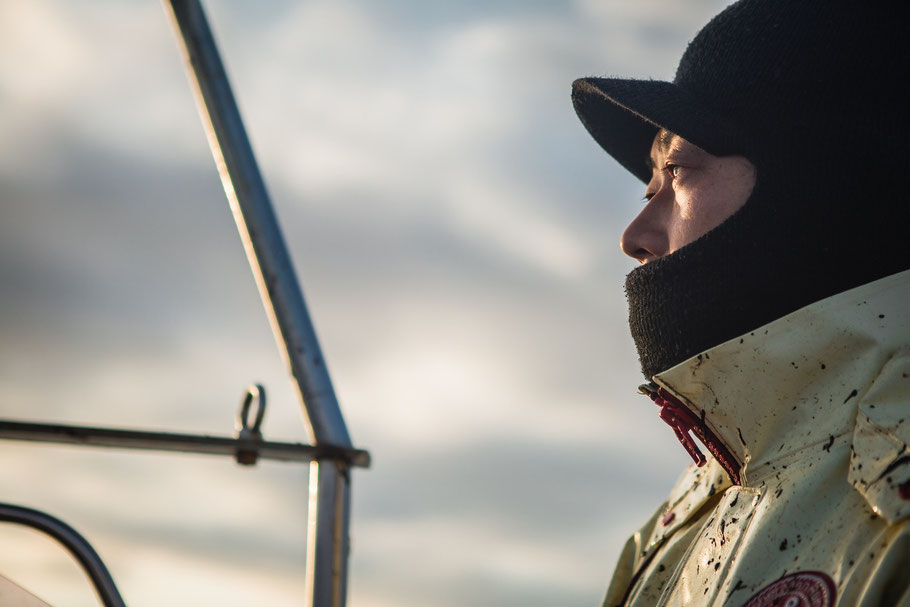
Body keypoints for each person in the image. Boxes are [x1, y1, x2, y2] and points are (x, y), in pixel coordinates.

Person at [571, 0, 910, 605]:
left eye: (676, 170)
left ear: (823, 178)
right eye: (649, 188)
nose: (634, 236)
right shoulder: (681, 518)